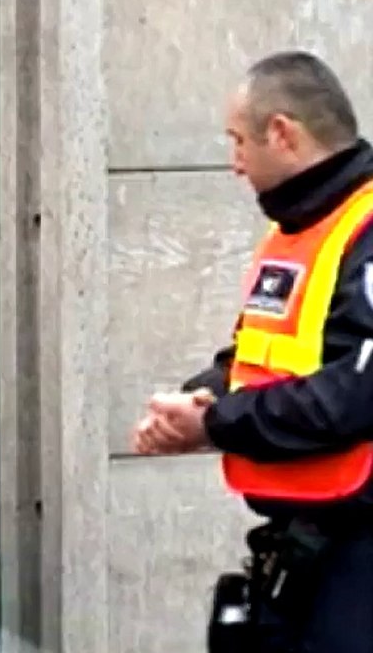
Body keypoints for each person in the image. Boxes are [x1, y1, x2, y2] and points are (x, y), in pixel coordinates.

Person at [132, 51, 373, 653]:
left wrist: (214, 422)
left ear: (282, 134)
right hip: (307, 548)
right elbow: (256, 358)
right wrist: (196, 400)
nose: (234, 163)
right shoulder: (298, 234)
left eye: (238, 141)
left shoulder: (365, 230)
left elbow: (352, 394)